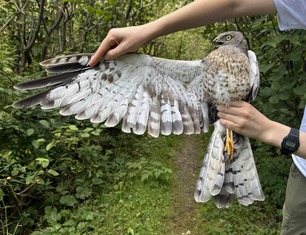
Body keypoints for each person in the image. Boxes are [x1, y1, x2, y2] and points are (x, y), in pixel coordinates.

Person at [88, 0, 306, 234]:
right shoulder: (207, 64)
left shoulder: (249, 58)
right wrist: (147, 29)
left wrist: (271, 131)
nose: (220, 44)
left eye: (227, 39)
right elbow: (234, 2)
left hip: (287, 141)